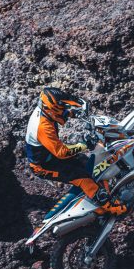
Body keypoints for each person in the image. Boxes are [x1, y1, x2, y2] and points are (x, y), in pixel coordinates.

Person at [25, 87, 127, 215]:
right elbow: (62, 153)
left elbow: (59, 110)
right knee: (81, 177)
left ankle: (95, 194)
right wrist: (84, 145)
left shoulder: (46, 110)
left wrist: (73, 113)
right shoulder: (42, 126)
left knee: (86, 163)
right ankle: (109, 207)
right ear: (52, 109)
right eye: (61, 108)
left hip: (50, 156)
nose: (63, 110)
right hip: (43, 167)